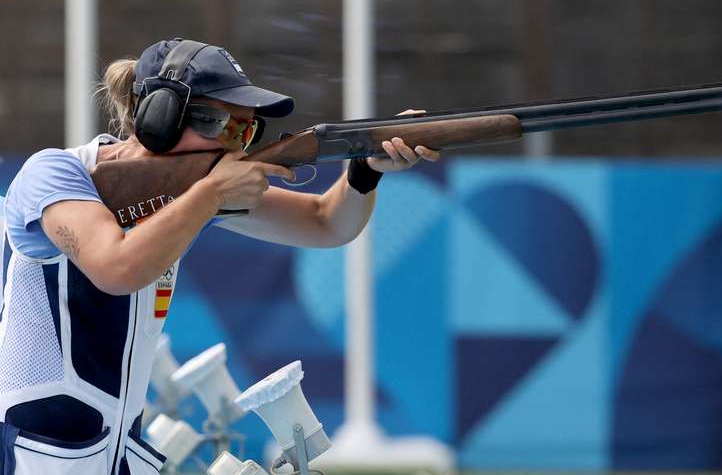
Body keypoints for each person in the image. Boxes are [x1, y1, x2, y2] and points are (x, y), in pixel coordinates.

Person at [0, 39, 439, 474]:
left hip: (116, 459)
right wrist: (210, 194)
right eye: (221, 125)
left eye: (245, 131)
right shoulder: (55, 173)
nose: (234, 147)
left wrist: (365, 171)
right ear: (159, 116)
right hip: (33, 455)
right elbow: (116, 268)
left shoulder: (194, 196)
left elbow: (327, 222)